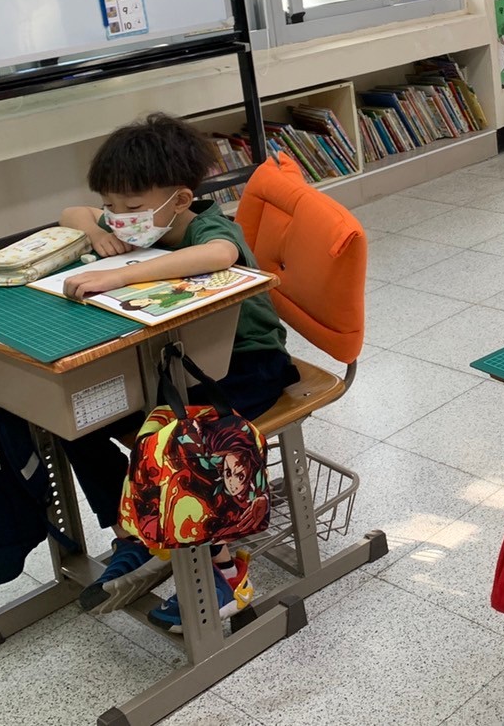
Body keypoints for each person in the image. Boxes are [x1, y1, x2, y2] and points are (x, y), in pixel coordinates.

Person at [57, 112, 298, 632]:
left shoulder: (207, 226)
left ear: (181, 199)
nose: (119, 218)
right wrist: (97, 231)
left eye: (131, 209)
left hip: (247, 364)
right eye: (111, 207)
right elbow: (72, 212)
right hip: (175, 363)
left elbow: (220, 254)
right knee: (76, 420)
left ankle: (224, 572)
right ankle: (136, 536)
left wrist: (123, 274)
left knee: (177, 442)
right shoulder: (134, 217)